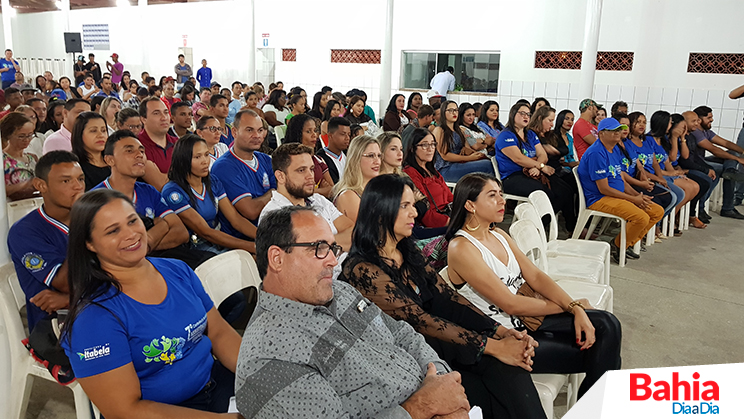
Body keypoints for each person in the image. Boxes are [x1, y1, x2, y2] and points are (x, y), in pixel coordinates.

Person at [340, 175, 546, 419]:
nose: (414, 213)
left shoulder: (406, 250)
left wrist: (500, 331)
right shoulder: (361, 269)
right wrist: (493, 346)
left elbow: (448, 298)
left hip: (444, 344)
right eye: (404, 206)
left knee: (509, 372)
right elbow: (419, 321)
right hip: (411, 361)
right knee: (494, 386)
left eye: (412, 205)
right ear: (380, 212)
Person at [235, 205, 470, 418]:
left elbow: (402, 334)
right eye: (319, 248)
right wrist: (424, 407)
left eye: (332, 248)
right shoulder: (268, 356)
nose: (333, 262)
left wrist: (439, 379)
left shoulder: (339, 291)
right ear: (277, 258)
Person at [60, 189, 242, 417]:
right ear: (90, 244)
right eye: (113, 231)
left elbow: (218, 332)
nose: (131, 234)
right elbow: (124, 410)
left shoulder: (177, 270)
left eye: (132, 221)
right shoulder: (94, 318)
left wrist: (254, 374)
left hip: (216, 385)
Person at [445, 172, 622, 399]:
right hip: (507, 335)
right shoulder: (462, 248)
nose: (502, 200)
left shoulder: (498, 234)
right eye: (492, 195)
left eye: (501, 193)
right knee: (605, 354)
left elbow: (536, 276)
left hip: (531, 319)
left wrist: (576, 307)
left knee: (608, 324)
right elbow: (511, 304)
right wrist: (571, 306)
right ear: (470, 205)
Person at [94, 131, 215, 269]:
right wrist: (162, 226)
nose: (139, 155)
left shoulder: (148, 191)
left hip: (161, 262)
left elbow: (181, 233)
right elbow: (115, 251)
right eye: (129, 151)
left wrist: (143, 244)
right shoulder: (97, 200)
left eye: (141, 150)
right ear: (110, 160)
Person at [8, 151, 83, 331]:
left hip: (104, 310)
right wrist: (83, 224)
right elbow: (65, 283)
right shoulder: (25, 231)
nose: (77, 187)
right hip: (57, 329)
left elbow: (128, 272)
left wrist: (71, 299)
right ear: (41, 185)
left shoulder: (99, 216)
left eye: (80, 179)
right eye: (66, 181)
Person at [577, 118, 664, 261]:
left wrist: (638, 196)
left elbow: (620, 180)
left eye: (619, 129)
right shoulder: (596, 153)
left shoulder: (615, 150)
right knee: (640, 217)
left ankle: (624, 244)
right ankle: (619, 246)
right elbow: (604, 189)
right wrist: (632, 199)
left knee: (656, 211)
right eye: (613, 130)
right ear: (601, 134)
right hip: (599, 198)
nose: (618, 133)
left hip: (617, 195)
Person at [163, 134, 257, 253]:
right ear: (183, 160)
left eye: (206, 155)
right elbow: (205, 232)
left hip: (219, 240)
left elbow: (235, 219)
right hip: (195, 248)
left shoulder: (213, 181)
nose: (205, 161)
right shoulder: (173, 192)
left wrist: (262, 238)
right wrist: (252, 247)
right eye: (197, 157)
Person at [495, 103, 578, 233]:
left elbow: (542, 154)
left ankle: (565, 228)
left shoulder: (530, 135)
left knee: (565, 191)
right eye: (522, 113)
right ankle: (531, 230)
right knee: (545, 193)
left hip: (534, 172)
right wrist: (541, 166)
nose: (526, 116)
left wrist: (538, 168)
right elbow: (519, 159)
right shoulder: (506, 136)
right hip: (513, 177)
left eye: (528, 114)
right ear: (512, 114)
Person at [258, 143, 353, 250]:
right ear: (280, 176)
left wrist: (323, 244)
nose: (310, 176)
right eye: (301, 170)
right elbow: (304, 255)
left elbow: (353, 231)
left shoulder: (319, 200)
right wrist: (339, 242)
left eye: (311, 169)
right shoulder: (272, 215)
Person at [211, 110, 276, 223]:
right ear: (234, 132)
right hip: (243, 236)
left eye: (260, 130)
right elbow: (251, 211)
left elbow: (285, 192)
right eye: (249, 130)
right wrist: (274, 193)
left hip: (272, 228)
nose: (257, 135)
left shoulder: (265, 159)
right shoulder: (224, 167)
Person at [647, 110, 699, 229]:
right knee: (686, 189)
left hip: (664, 173)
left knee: (695, 186)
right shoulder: (648, 140)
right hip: (658, 174)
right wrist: (670, 173)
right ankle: (665, 221)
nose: (671, 126)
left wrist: (675, 173)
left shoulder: (662, 140)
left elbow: (667, 161)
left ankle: (670, 218)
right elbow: (652, 165)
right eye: (670, 123)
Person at [691, 105, 744, 219]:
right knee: (718, 169)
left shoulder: (707, 131)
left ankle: (730, 171)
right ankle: (701, 208)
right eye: (709, 118)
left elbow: (725, 143)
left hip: (702, 160)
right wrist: (738, 159)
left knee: (733, 153)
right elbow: (714, 150)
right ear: (700, 120)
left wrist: (742, 152)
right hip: (695, 163)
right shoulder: (695, 132)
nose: (712, 120)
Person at [403, 128, 454, 229]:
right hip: (434, 225)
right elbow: (425, 214)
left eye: (433, 144)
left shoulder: (432, 170)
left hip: (448, 215)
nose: (430, 149)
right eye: (425, 145)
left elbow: (450, 198)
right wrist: (453, 222)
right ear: (413, 148)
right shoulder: (410, 173)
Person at [432, 100, 493, 183]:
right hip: (445, 168)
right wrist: (469, 158)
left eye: (456, 110)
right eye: (450, 110)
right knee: (487, 165)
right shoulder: (439, 130)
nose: (454, 113)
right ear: (443, 112)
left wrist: (475, 154)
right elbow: (445, 155)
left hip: (460, 163)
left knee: (491, 161)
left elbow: (467, 148)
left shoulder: (460, 130)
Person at [679, 111, 718, 224]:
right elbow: (685, 161)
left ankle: (695, 211)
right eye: (694, 121)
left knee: (710, 176)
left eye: (697, 121)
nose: (697, 124)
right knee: (704, 181)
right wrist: (705, 170)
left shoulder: (691, 137)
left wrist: (708, 168)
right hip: (682, 168)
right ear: (684, 123)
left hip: (688, 167)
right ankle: (692, 213)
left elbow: (695, 157)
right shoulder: (678, 139)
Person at [283, 113, 334, 197]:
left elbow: (332, 190)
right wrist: (321, 190)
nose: (314, 135)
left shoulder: (318, 159)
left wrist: (314, 191)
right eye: (308, 131)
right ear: (297, 133)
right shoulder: (288, 160)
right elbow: (296, 191)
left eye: (315, 130)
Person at [332, 135, 381, 222]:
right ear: (356, 158)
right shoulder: (348, 195)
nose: (377, 161)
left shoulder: (376, 190)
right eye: (371, 156)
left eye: (379, 156)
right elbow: (364, 232)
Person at [135, 97, 177, 190]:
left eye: (166, 112)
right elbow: (162, 185)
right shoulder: (136, 146)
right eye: (156, 113)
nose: (164, 117)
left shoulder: (179, 143)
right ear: (143, 119)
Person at [71, 112, 111, 190]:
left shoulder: (114, 161)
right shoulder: (75, 166)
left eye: (103, 130)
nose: (101, 135)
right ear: (80, 134)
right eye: (93, 131)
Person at [2, 112, 38, 200]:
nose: (26, 140)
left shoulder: (32, 158)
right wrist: (26, 184)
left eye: (30, 135)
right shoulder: (3, 160)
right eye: (21, 136)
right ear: (8, 135)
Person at [316, 116, 351, 183]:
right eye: (343, 134)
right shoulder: (320, 159)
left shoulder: (348, 154)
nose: (347, 138)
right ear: (330, 136)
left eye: (349, 134)